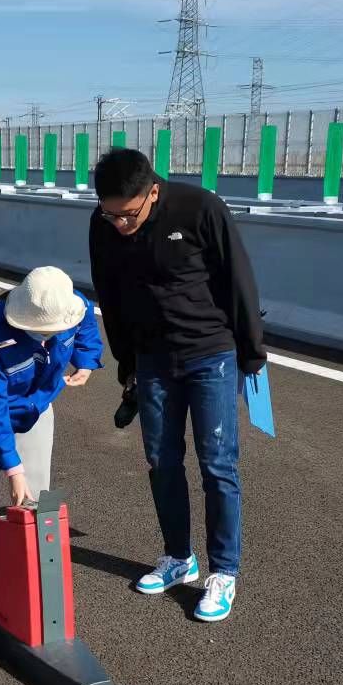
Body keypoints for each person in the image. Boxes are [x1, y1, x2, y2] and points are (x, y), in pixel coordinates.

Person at [87, 148, 266, 623]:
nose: (119, 224)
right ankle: (178, 558)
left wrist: (252, 352)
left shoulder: (201, 208)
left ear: (153, 191)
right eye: (110, 214)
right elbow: (108, 291)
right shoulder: (102, 222)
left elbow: (239, 279)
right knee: (161, 461)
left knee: (218, 465)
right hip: (152, 359)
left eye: (128, 215)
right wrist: (127, 362)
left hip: (211, 354)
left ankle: (223, 571)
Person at [0, 266, 102, 633]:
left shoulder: (71, 305)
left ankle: (30, 582)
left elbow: (87, 330)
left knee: (36, 501)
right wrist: (12, 470)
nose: (49, 337)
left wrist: (87, 360)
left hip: (36, 406)